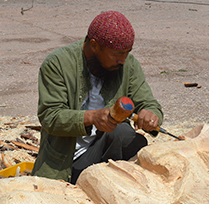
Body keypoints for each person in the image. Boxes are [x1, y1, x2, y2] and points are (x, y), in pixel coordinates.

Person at [32, 11, 164, 184]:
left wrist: (151, 114)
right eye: (117, 54)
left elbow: (148, 103)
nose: (123, 60)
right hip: (64, 164)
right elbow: (50, 116)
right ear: (94, 45)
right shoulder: (57, 64)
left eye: (127, 53)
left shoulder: (128, 65)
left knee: (126, 135)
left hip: (103, 152)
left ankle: (111, 185)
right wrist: (91, 117)